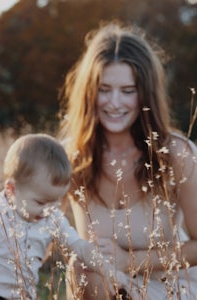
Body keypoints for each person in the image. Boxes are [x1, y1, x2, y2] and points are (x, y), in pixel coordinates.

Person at [58, 21, 197, 300]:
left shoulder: (175, 154)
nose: (114, 103)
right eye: (104, 89)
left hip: (169, 286)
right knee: (84, 268)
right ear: (89, 92)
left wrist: (130, 261)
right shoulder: (70, 156)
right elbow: (32, 225)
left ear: (146, 94)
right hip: (99, 287)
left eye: (128, 90)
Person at [0, 133, 127, 300]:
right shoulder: (0, 214)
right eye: (41, 202)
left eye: (55, 202)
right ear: (11, 189)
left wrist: (109, 271)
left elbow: (80, 247)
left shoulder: (52, 218)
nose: (48, 210)